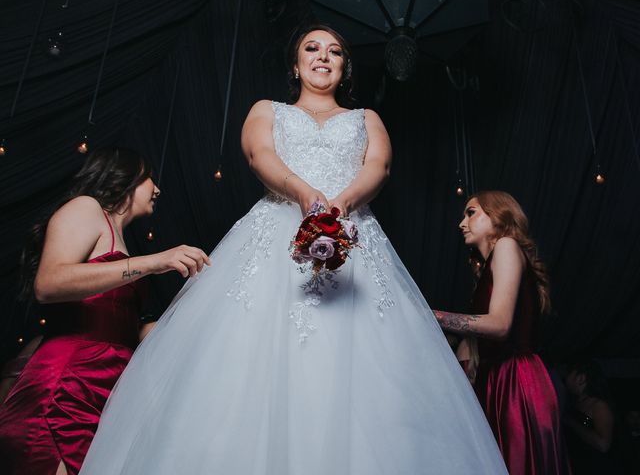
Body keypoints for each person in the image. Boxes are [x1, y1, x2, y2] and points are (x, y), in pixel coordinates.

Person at [79, 26, 507, 474]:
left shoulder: (366, 118)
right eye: (312, 48)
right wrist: (302, 193)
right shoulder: (268, 110)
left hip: (352, 231)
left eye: (336, 51)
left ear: (345, 67)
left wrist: (339, 205)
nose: (324, 57)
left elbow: (378, 168)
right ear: (295, 63)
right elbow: (258, 153)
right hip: (277, 229)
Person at [0, 148, 210, 475]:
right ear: (126, 176)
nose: (157, 189)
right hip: (64, 390)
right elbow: (49, 282)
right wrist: (153, 263)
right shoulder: (87, 209)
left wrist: (200, 312)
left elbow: (121, 328)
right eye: (150, 178)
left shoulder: (122, 238)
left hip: (105, 393)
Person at [434, 191, 571, 474]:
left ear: (498, 216)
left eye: (471, 213)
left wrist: (430, 316)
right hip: (497, 380)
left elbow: (499, 325)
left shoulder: (506, 245)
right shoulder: (486, 268)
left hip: (518, 381)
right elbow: (472, 347)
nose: (462, 223)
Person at [563, 360, 617, 473]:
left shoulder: (599, 406)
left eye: (569, 373)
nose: (565, 378)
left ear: (581, 378)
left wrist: (572, 423)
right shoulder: (574, 403)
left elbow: (603, 445)